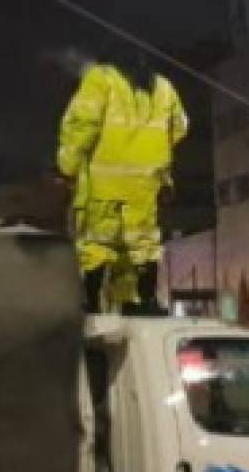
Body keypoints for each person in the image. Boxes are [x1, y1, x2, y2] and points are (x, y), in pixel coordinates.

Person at [57, 48, 188, 313]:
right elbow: (180, 127)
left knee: (97, 243)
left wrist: (67, 167)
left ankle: (91, 303)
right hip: (145, 183)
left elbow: (83, 125)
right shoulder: (164, 87)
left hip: (104, 180)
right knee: (141, 244)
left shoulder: (100, 79)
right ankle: (140, 301)